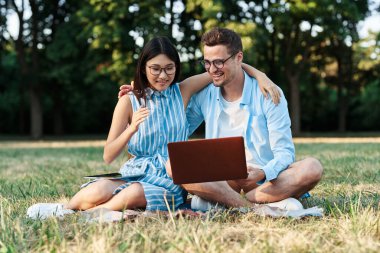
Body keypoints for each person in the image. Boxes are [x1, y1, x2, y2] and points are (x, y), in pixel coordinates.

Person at [26, 36, 279, 219]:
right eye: (155, 69)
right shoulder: (129, 100)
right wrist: (131, 128)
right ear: (143, 68)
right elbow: (108, 154)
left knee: (133, 195)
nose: (163, 75)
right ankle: (66, 209)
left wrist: (261, 76)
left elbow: (223, 68)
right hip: (136, 169)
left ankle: (89, 215)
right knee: (100, 188)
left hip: (171, 174)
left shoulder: (183, 91)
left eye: (169, 68)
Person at [164, 27, 324, 211]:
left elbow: (285, 152)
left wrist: (262, 172)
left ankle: (225, 203)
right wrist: (139, 98)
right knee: (173, 165)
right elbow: (177, 130)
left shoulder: (269, 93)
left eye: (218, 62)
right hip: (222, 181)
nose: (212, 70)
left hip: (264, 182)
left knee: (312, 167)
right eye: (207, 63)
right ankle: (256, 207)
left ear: (238, 58)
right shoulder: (204, 95)